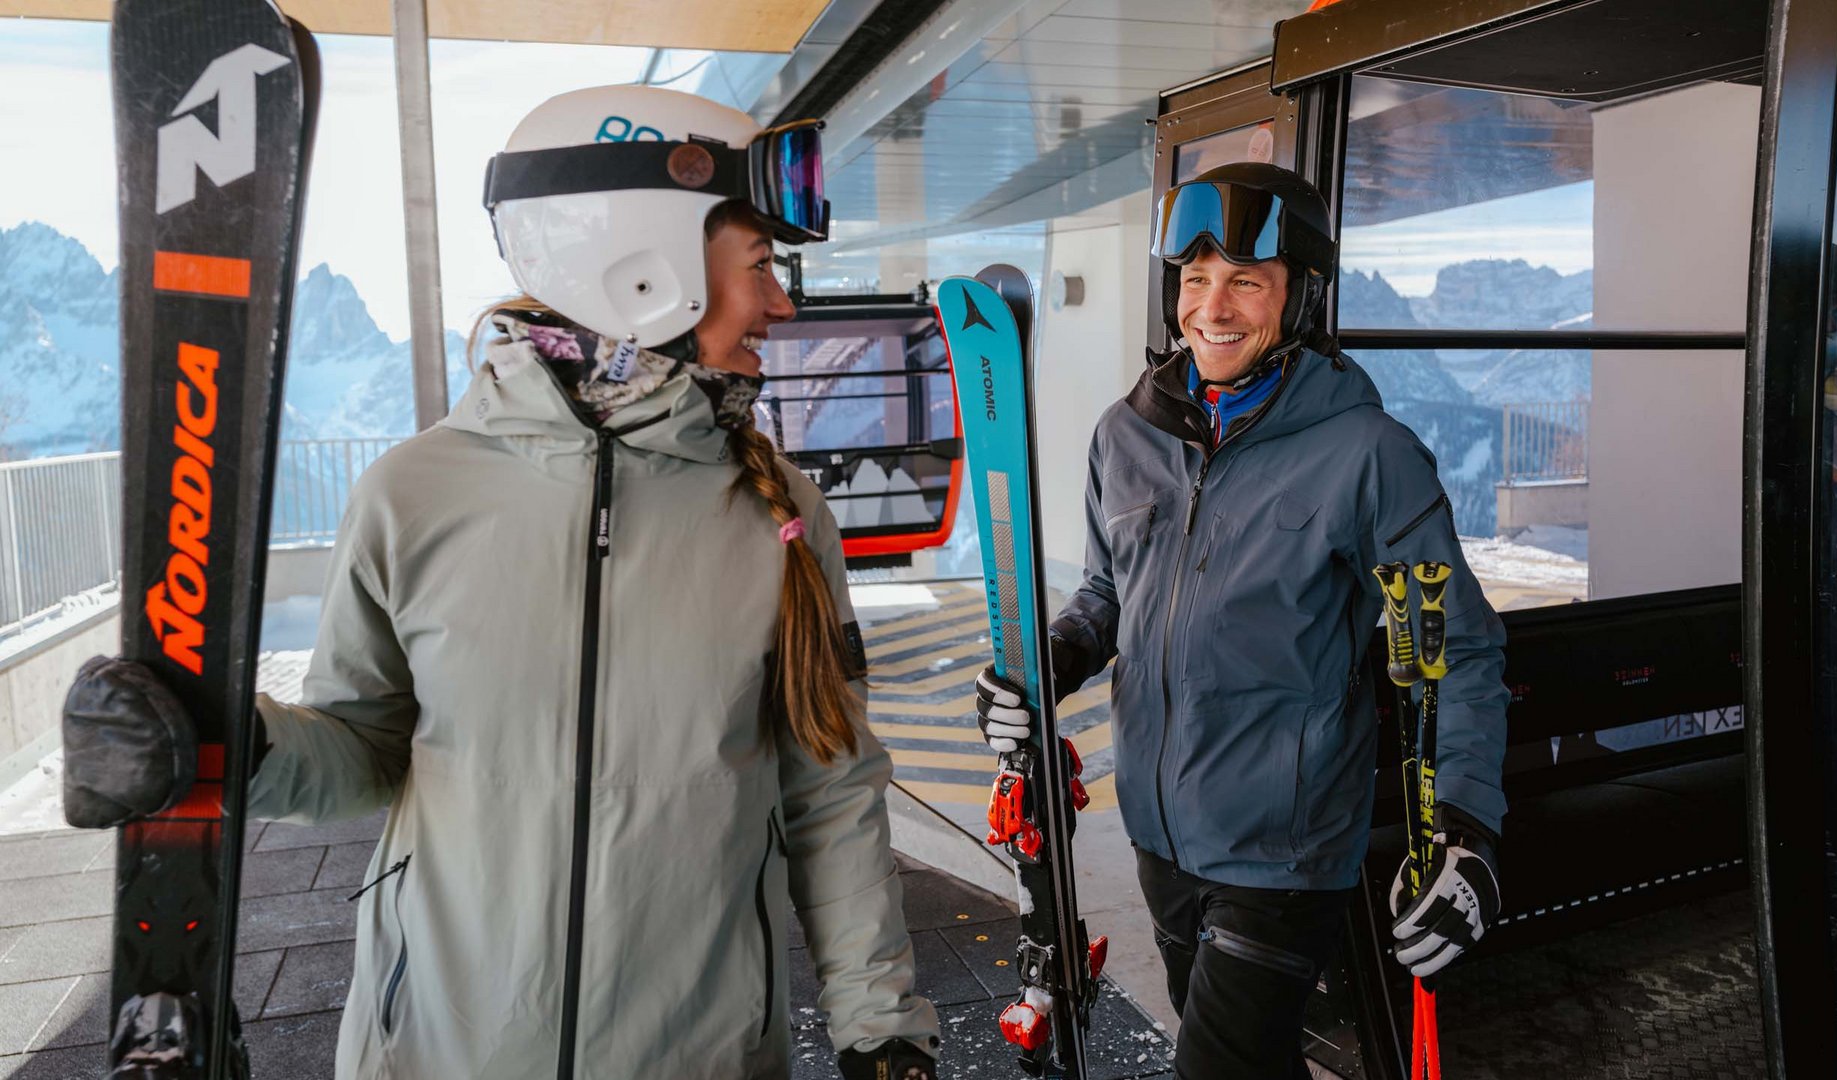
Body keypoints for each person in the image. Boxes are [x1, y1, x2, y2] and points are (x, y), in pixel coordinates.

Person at [61, 85, 939, 1080]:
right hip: (437, 1049)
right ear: (646, 269)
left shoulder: (779, 515)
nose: (782, 304)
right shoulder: (415, 495)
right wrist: (232, 746)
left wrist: (883, 1028)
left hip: (700, 1054)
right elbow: (361, 754)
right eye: (761, 265)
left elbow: (831, 786)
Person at [973, 162, 1508, 1078]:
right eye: (1194, 280)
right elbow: (1107, 595)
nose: (1211, 309)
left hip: (1284, 845)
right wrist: (1048, 662)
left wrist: (1467, 834)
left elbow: (1456, 642)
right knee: (1243, 1059)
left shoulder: (1367, 455)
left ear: (1297, 299)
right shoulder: (1125, 434)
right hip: (1158, 830)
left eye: (1245, 282)